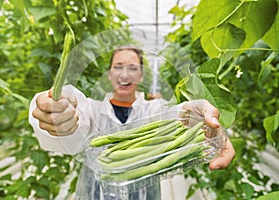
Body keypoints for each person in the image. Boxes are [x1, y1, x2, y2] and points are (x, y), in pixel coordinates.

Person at [29, 46, 235, 199]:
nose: (125, 74)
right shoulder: (92, 109)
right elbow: (73, 125)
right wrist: (57, 113)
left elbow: (179, 116)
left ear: (141, 75)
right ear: (109, 74)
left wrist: (204, 122)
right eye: (118, 67)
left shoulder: (155, 109)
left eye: (132, 68)